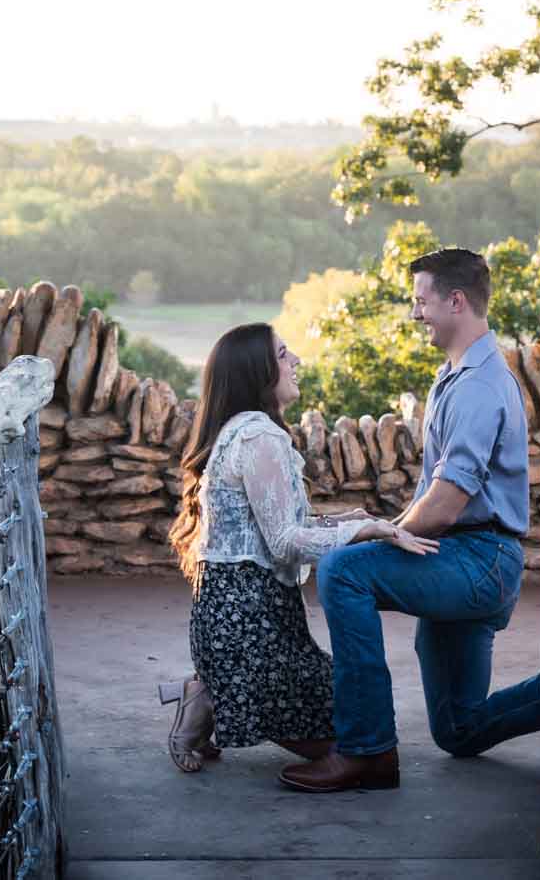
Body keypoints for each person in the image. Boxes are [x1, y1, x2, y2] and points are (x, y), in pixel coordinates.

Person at [280, 247, 540, 793]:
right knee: (459, 730)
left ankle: (366, 751)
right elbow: (439, 497)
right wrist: (389, 528)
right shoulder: (458, 374)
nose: (415, 313)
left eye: (421, 301)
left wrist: (384, 534)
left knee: (344, 571)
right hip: (465, 555)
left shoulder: (477, 386)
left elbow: (447, 501)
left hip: (476, 560)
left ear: (456, 300)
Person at [160, 322, 436, 773]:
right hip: (247, 631)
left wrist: (352, 520)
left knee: (361, 724)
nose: (297, 362)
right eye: (285, 354)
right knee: (352, 749)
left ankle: (211, 688)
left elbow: (279, 525)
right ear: (258, 372)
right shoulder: (258, 437)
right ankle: (210, 692)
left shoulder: (245, 430)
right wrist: (366, 533)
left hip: (255, 620)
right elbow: (285, 543)